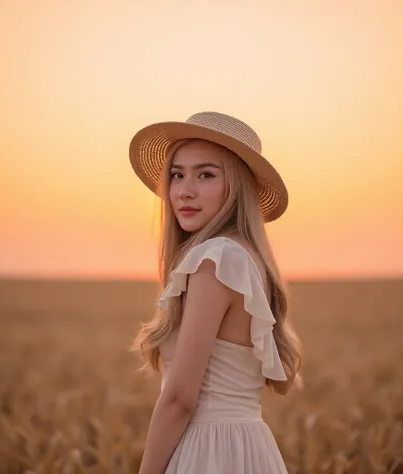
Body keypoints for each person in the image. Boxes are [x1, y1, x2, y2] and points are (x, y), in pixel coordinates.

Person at [129, 111, 302, 474]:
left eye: (205, 174)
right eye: (177, 175)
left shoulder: (217, 259)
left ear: (236, 187)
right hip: (249, 448)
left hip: (209, 452)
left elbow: (179, 399)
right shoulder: (245, 257)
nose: (184, 190)